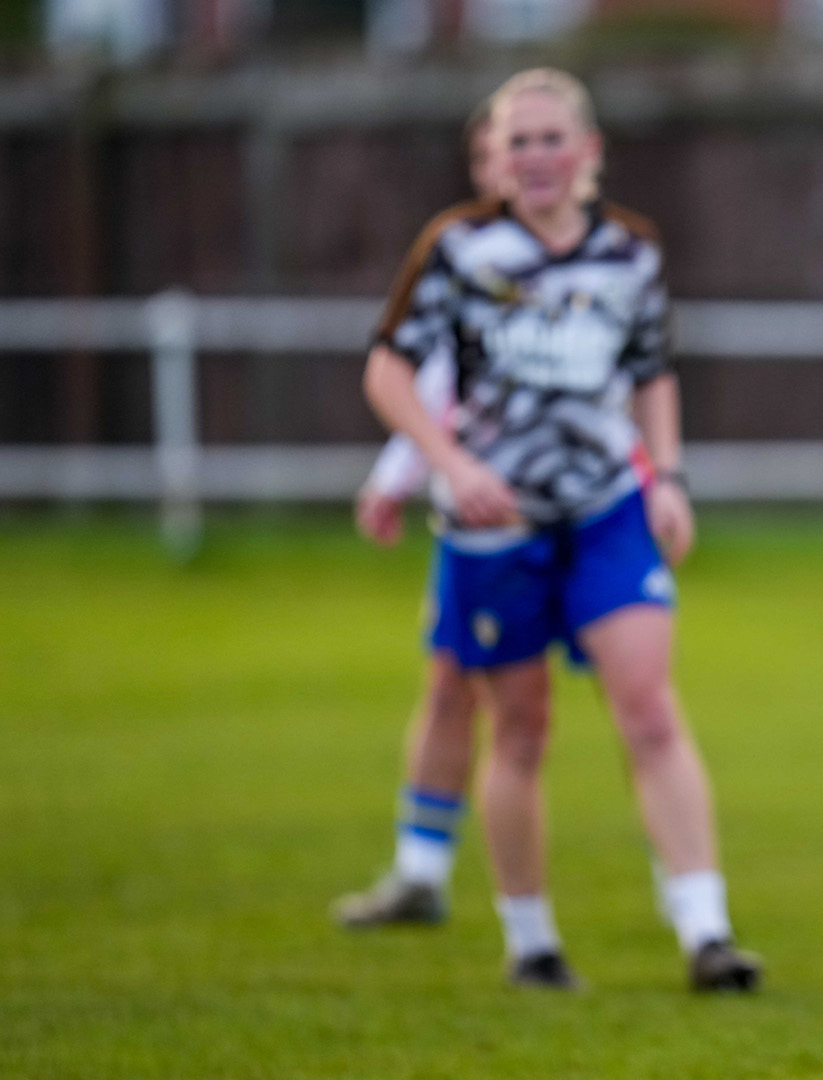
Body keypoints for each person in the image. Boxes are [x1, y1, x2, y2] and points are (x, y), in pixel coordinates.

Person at [361, 67, 759, 993]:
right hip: (495, 529)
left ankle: (707, 932)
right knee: (522, 727)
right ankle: (530, 940)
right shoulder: (458, 249)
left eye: (552, 138)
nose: (535, 156)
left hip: (606, 512)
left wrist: (668, 477)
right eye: (517, 140)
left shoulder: (631, 253)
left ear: (588, 153)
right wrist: (452, 467)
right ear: (494, 157)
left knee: (650, 710)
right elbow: (388, 370)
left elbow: (653, 372)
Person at [334, 101, 518, 934]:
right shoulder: (461, 262)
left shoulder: (600, 264)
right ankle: (420, 874)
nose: (510, 167)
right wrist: (395, 476)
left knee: (642, 712)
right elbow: (428, 384)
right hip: (479, 523)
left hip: (581, 524)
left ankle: (697, 915)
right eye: (493, 152)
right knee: (452, 687)